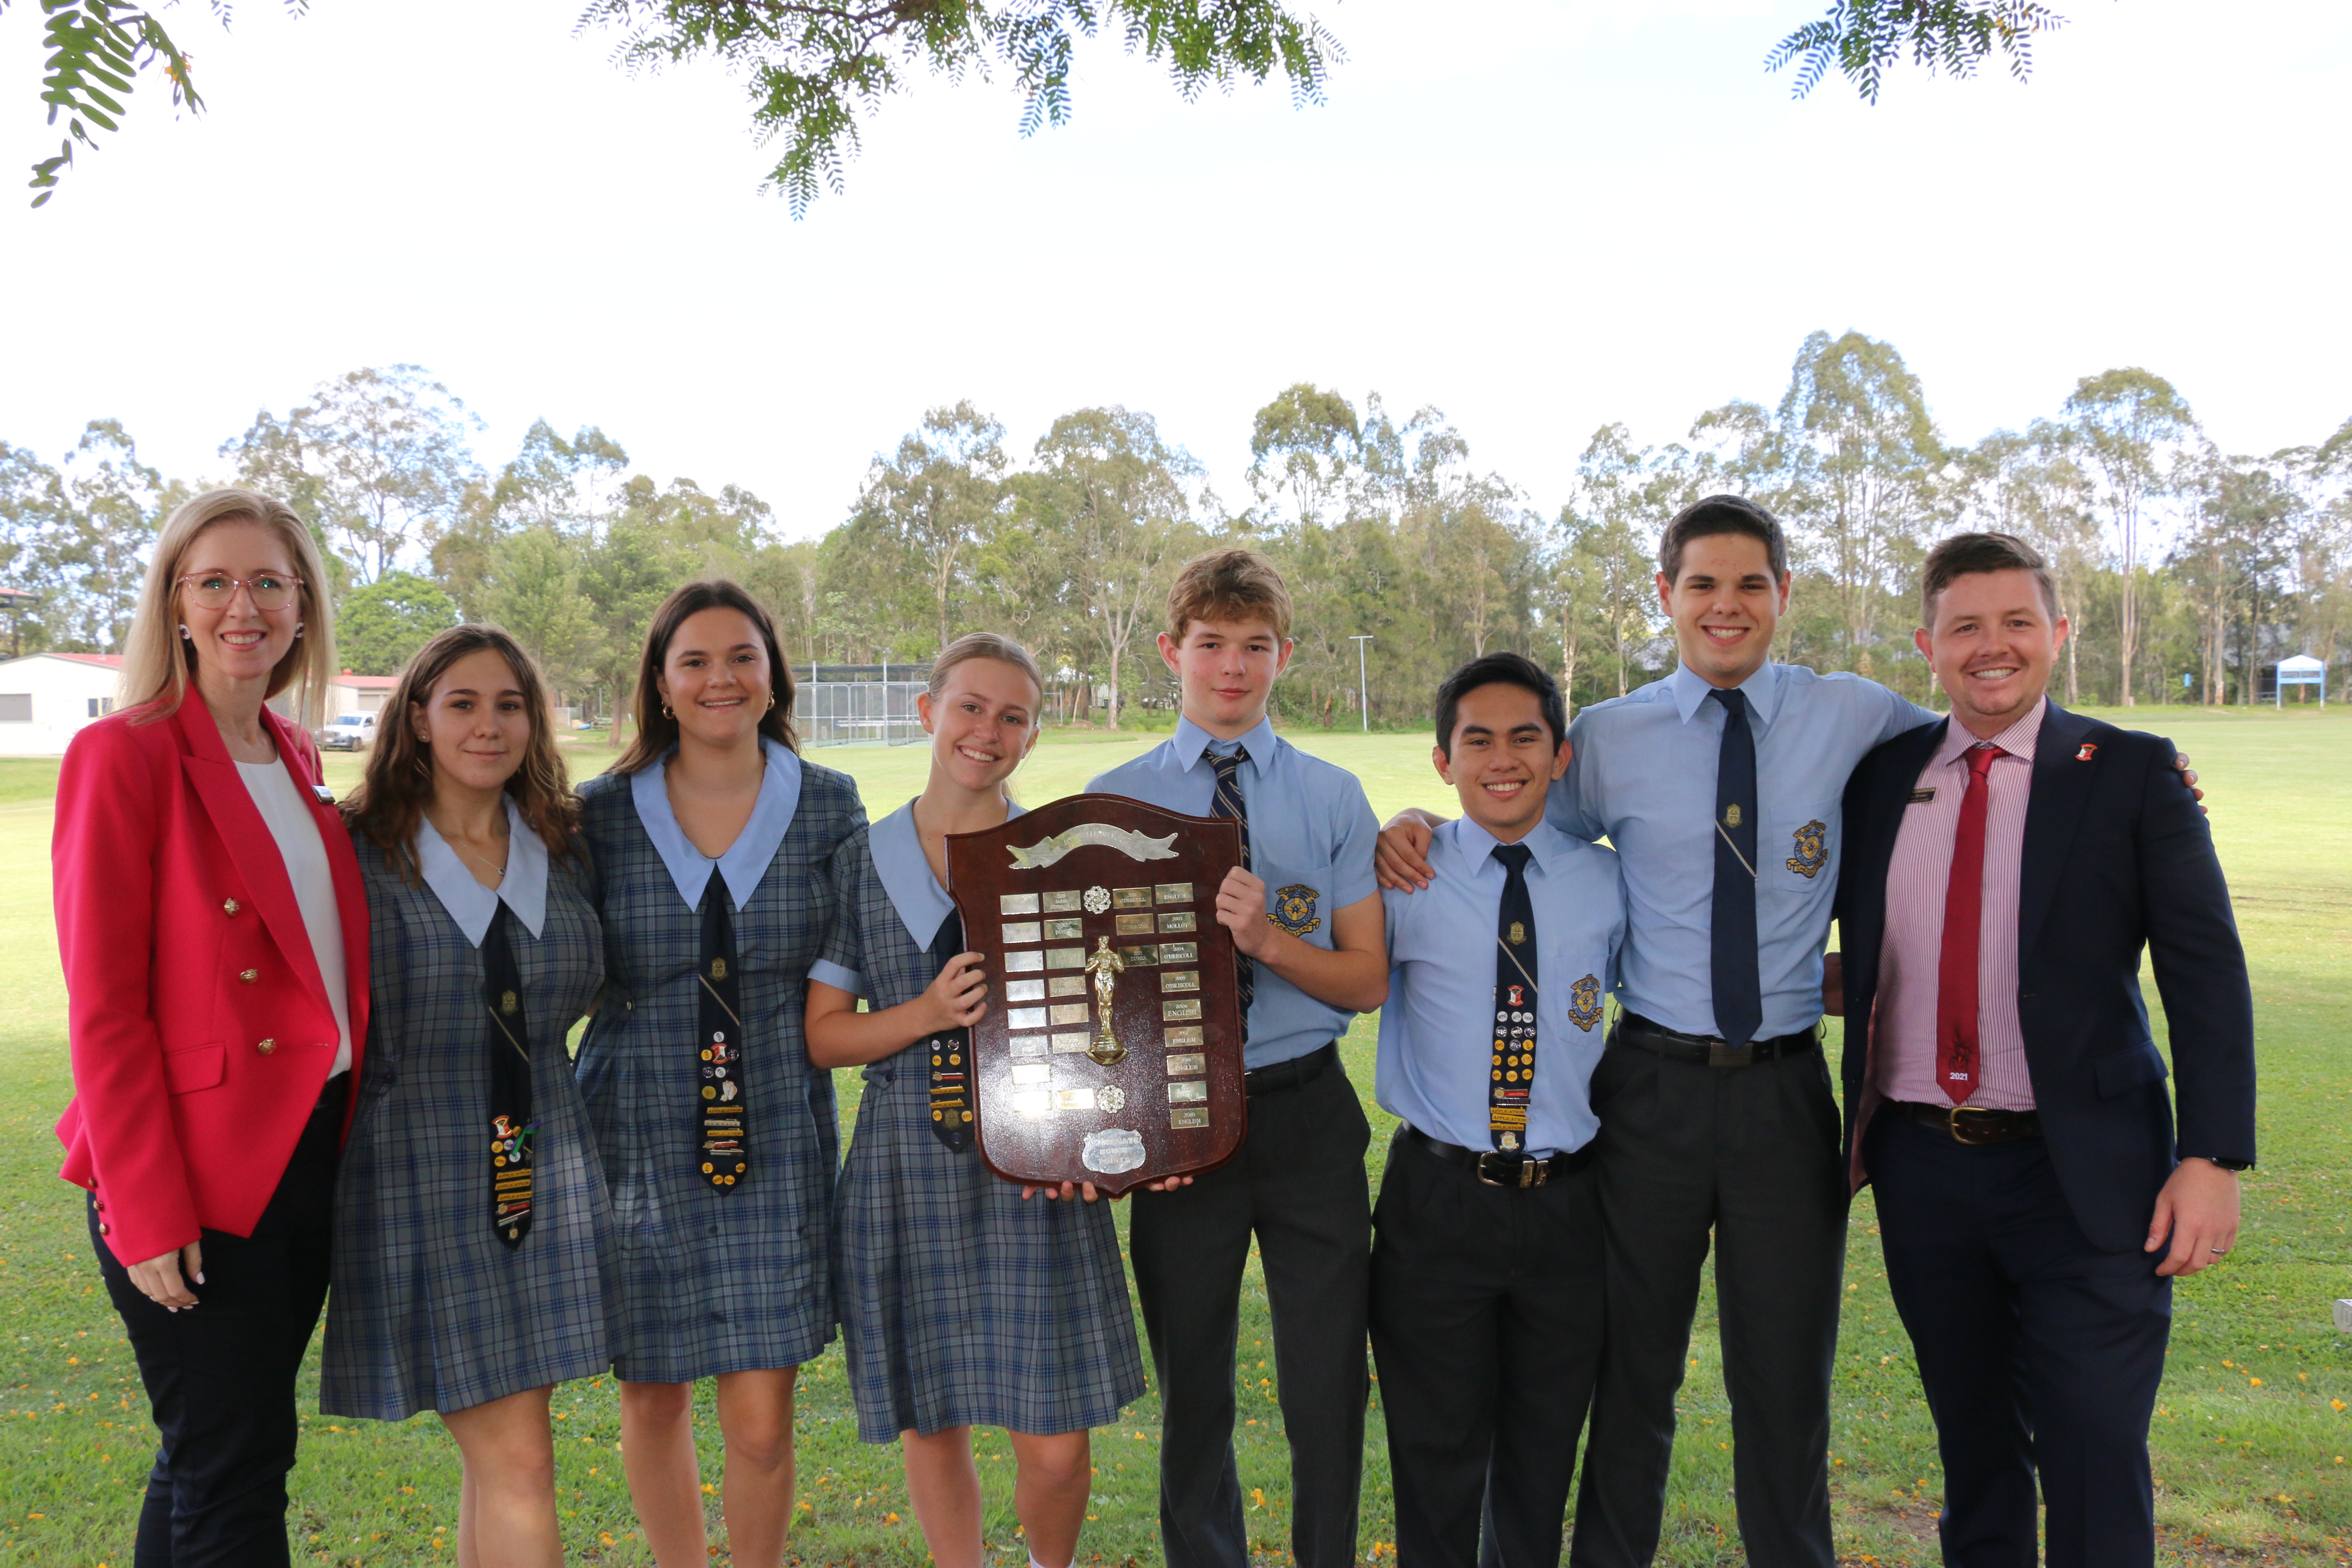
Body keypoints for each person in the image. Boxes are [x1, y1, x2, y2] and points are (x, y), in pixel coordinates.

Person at [1378, 496, 1932, 1568]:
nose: (1727, 607)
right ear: (1666, 595)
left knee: (1785, 1376)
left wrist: (2135, 767)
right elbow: (1506, 803)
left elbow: (1972, 747)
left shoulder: (1855, 713)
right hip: (1647, 1094)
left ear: (1783, 596)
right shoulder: (1614, 741)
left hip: (1782, 1092)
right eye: (1703, 585)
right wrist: (1414, 827)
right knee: (1635, 1374)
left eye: (1751, 585)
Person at [1831, 533, 2253, 1568]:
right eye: (1965, 625)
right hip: (1925, 1169)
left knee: (2095, 1449)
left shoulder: (2134, 773)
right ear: (1926, 644)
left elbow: (2205, 974)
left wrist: (2214, 1158)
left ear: (2057, 634)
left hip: (2086, 1175)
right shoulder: (1880, 779)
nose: (1993, 646)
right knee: (1977, 1453)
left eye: (2017, 622)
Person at [51, 487, 366, 1566]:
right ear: (176, 604)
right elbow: (104, 1010)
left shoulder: (297, 756)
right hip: (197, 1172)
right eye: (217, 581)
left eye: (270, 583)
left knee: (210, 1458)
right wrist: (144, 1207)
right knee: (235, 1471)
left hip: (309, 1154)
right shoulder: (126, 755)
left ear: (304, 607)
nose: (246, 605)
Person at [806, 632, 1146, 1568]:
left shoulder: (1061, 859)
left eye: (1011, 717)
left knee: (1058, 1435)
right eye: (970, 706)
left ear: (1033, 738)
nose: (986, 732)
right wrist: (920, 1013)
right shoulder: (858, 859)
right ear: (928, 713)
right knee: (933, 1410)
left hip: (1035, 1159)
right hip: (905, 1157)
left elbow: (1108, 1031)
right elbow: (824, 1035)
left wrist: (1095, 1142)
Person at [1086, 548, 1389, 1568]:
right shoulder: (1112, 801)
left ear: (1284, 657)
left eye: (1254, 647)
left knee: (1326, 1381)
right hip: (1177, 1120)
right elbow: (1096, 995)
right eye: (1211, 645)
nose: (1231, 668)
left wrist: (1269, 943)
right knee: (1195, 1390)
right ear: (1172, 652)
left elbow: (1366, 981)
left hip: (1306, 1114)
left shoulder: (1332, 795)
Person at [574, 579, 866, 1568]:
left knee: (760, 1415)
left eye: (742, 656)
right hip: (637, 1127)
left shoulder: (826, 802)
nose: (720, 679)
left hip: (778, 1126)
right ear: (660, 684)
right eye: (694, 661)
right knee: (652, 1393)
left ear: (773, 672)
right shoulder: (599, 815)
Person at [325, 626, 618, 1568]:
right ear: (417, 717)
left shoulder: (563, 846)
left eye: (509, 705)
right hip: (422, 1167)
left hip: (550, 1165)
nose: (488, 726)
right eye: (462, 704)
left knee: (503, 1462)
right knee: (521, 1461)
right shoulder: (357, 850)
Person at [1369, 653, 1624, 1568]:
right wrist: (1400, 827)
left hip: (1569, 1206)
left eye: (1526, 737)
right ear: (1443, 760)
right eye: (1477, 740)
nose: (1502, 758)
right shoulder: (1403, 875)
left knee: (1541, 1458)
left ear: (1560, 756)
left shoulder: (1607, 881)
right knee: (1435, 1460)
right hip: (1440, 1202)